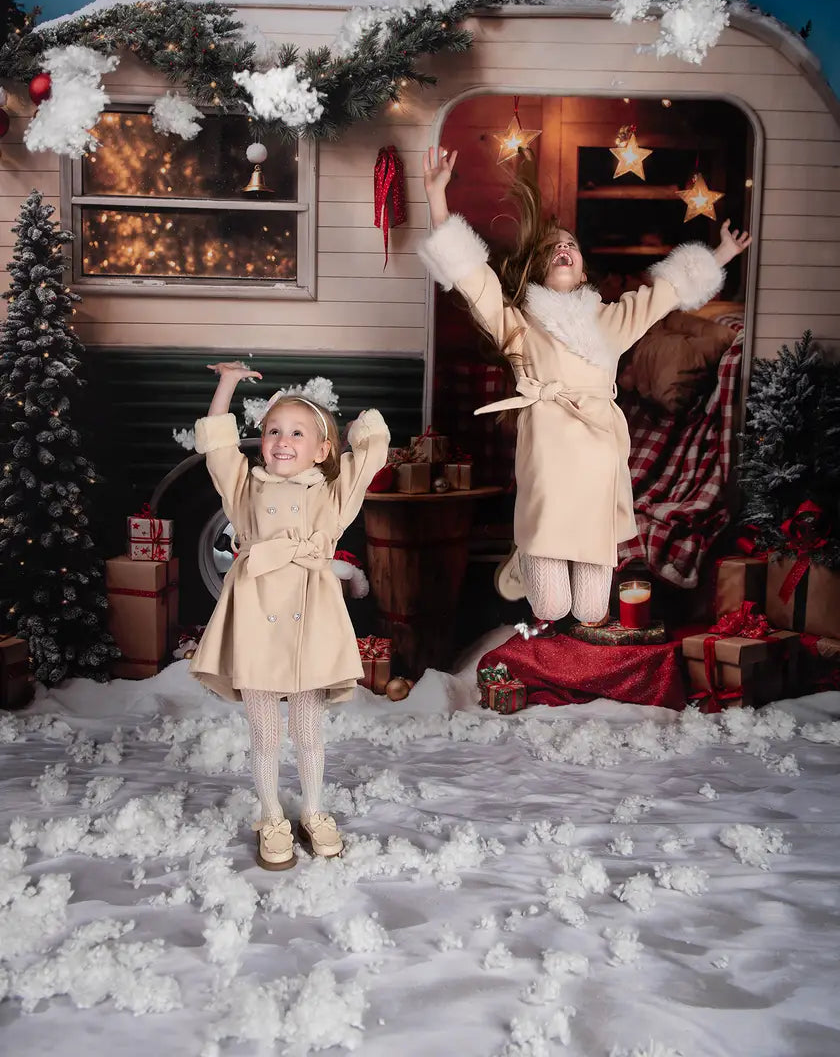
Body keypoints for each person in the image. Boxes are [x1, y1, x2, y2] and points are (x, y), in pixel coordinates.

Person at [420, 145, 750, 626]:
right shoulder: (518, 324)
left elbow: (665, 295)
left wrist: (720, 253)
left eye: (571, 245)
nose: (563, 248)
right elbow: (474, 280)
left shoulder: (612, 321)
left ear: (582, 269)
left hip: (598, 455)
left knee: (593, 610)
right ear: (537, 270)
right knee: (552, 607)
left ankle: (572, 602)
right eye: (553, 247)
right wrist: (436, 198)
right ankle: (528, 552)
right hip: (548, 455)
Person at [190, 361, 390, 870]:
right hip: (256, 614)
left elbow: (366, 462)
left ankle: (315, 810)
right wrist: (228, 383)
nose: (282, 440)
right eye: (272, 430)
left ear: (322, 450)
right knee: (264, 732)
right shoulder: (245, 488)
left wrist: (365, 428)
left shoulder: (331, 493)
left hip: (311, 616)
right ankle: (272, 813)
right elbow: (217, 447)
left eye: (297, 432)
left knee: (308, 728)